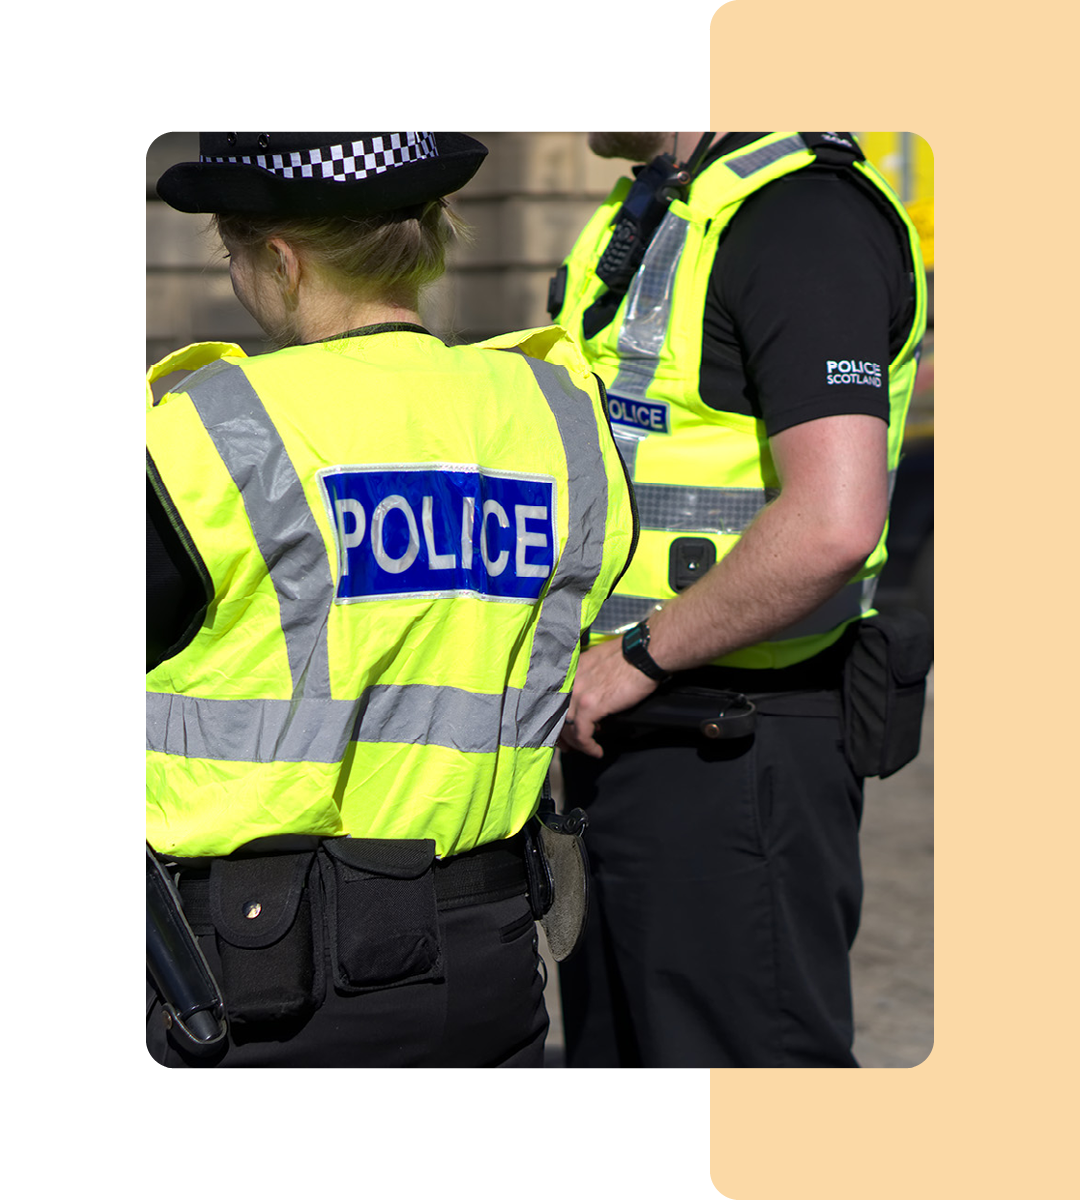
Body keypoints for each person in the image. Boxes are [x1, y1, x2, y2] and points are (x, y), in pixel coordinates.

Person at [145, 131, 636, 1068]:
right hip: (488, 960)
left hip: (252, 981)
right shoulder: (558, 415)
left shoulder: (214, 431)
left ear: (282, 262)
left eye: (235, 254)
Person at [551, 131, 928, 1068]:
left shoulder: (803, 220)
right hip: (640, 736)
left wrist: (637, 655)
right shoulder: (659, 201)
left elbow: (834, 521)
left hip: (736, 751)